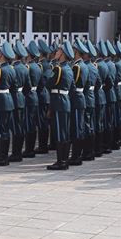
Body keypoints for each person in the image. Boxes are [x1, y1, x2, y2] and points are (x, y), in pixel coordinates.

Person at [45, 39, 74, 171]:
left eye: (58, 51)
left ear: (62, 54)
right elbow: (72, 88)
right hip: (65, 101)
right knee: (64, 132)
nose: (56, 52)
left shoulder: (58, 69)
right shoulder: (69, 68)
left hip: (58, 102)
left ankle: (61, 161)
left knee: (59, 132)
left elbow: (49, 83)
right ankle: (64, 160)